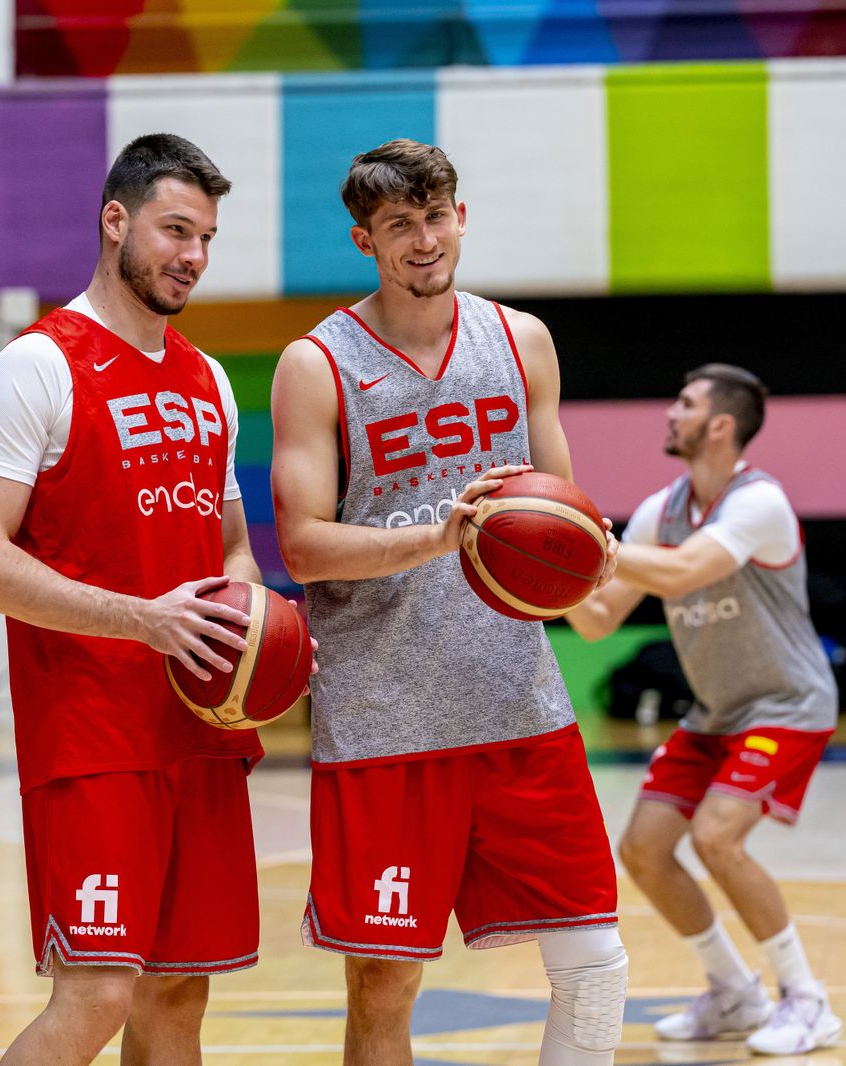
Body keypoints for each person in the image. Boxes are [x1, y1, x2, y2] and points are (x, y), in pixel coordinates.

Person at [270, 139, 626, 1066]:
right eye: (399, 226)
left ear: (460, 218)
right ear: (364, 240)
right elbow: (302, 544)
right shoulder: (317, 365)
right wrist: (439, 537)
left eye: (436, 218)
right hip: (386, 721)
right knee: (384, 985)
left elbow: (565, 517)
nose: (423, 240)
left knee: (594, 960)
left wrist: (594, 557)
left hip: (518, 702)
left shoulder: (522, 341)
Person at [0, 134, 263, 1066]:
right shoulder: (36, 366)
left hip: (200, 725)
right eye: (174, 229)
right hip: (91, 731)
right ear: (114, 220)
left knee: (176, 999)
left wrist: (250, 622)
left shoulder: (208, 378)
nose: (192, 256)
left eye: (205, 236)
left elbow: (233, 546)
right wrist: (141, 617)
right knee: (96, 997)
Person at [566, 364, 841, 1055]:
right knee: (645, 850)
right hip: (716, 711)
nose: (669, 413)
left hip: (786, 704)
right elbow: (598, 620)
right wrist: (543, 574)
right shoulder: (664, 509)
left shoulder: (758, 503)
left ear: (721, 425)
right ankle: (735, 991)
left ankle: (807, 999)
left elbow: (685, 571)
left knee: (718, 836)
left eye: (684, 404)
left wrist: (598, 548)